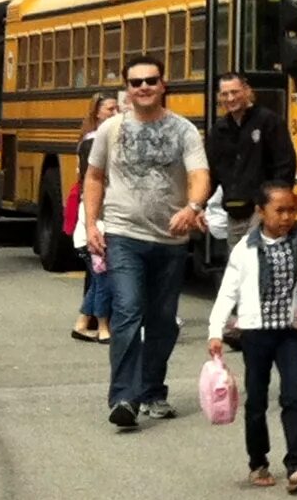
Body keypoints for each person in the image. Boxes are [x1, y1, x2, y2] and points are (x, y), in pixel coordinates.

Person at [83, 56, 211, 431]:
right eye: (135, 82)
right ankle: (124, 397)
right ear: (127, 88)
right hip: (124, 234)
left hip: (171, 238)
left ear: (162, 84)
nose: (143, 88)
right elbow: (93, 177)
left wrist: (192, 207)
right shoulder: (111, 128)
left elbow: (200, 175)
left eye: (150, 81)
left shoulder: (184, 129)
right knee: (127, 310)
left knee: (162, 321)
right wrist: (92, 224)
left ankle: (153, 390)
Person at [207, 182, 297, 492]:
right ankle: (258, 462)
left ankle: (295, 465)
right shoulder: (245, 250)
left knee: (293, 396)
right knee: (256, 399)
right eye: (279, 210)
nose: (286, 217)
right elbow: (228, 292)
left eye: (291, 211)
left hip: (290, 333)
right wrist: (215, 332)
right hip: (256, 334)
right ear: (260, 212)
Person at [205, 72, 297, 231]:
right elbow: (211, 172)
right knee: (236, 255)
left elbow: (285, 165)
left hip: (261, 211)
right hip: (234, 211)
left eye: (235, 92)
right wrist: (198, 206)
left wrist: (274, 205)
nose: (230, 99)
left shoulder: (269, 121)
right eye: (224, 94)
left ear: (247, 91)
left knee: (257, 253)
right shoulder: (219, 130)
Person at [68, 93, 119, 344]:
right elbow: (93, 184)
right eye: (110, 109)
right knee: (103, 279)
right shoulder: (93, 142)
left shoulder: (103, 139)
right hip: (94, 223)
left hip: (98, 221)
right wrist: (93, 222)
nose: (115, 112)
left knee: (100, 277)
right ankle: (103, 327)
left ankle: (81, 324)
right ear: (97, 112)